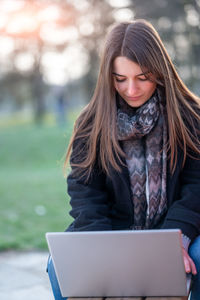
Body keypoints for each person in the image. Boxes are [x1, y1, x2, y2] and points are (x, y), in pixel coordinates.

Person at [47, 19, 200, 300]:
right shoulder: (91, 122)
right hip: (111, 230)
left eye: (143, 77)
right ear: (109, 77)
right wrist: (101, 249)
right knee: (57, 267)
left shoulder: (189, 116)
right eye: (120, 79)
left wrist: (176, 237)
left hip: (177, 227)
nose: (131, 89)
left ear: (160, 71)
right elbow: (84, 192)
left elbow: (196, 185)